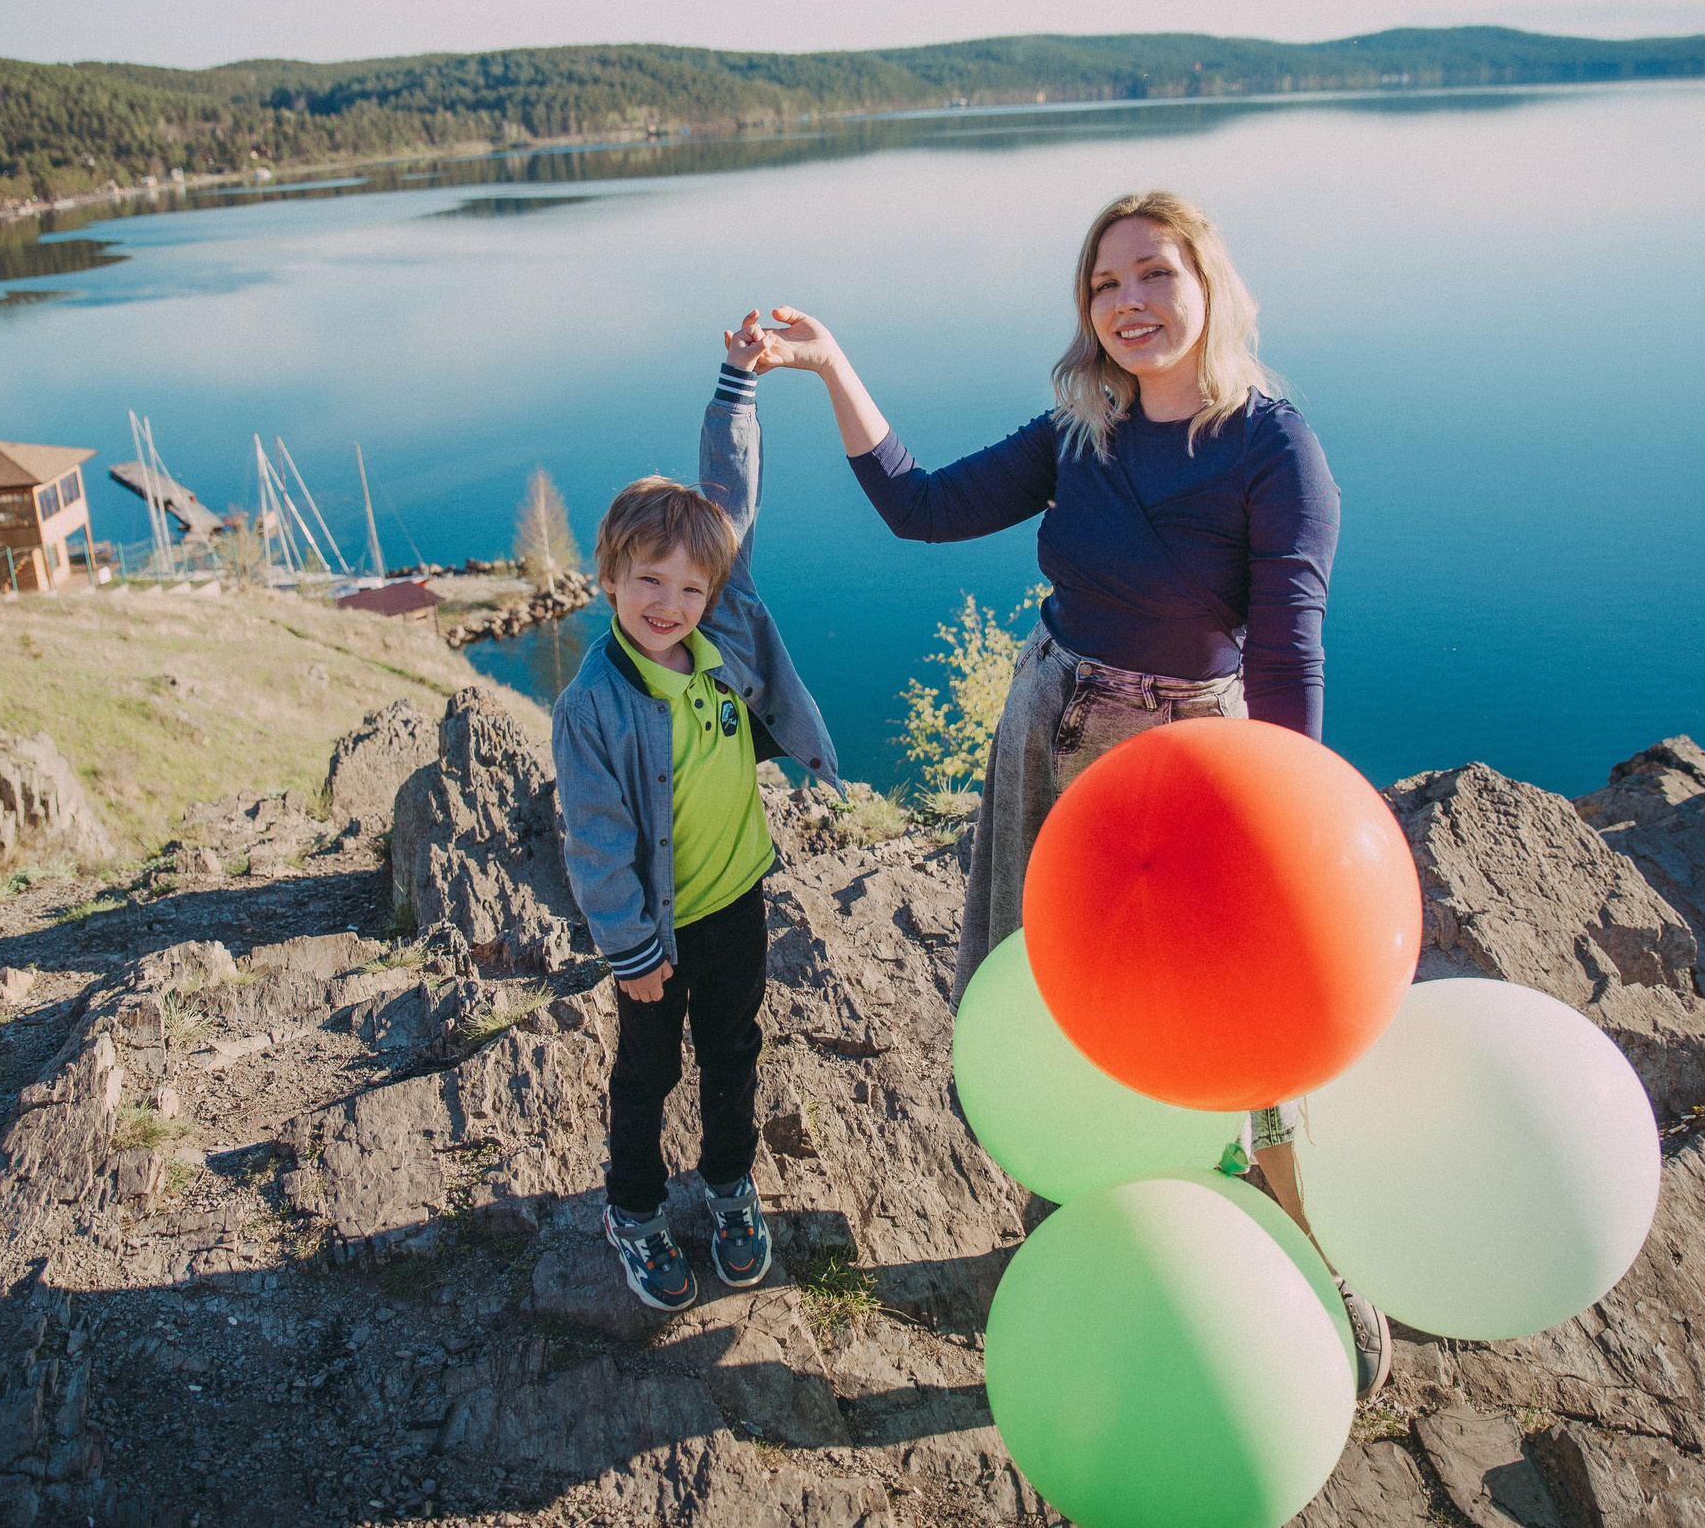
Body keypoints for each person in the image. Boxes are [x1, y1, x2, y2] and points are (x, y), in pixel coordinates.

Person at [746, 191, 1387, 1393]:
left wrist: (1283, 824)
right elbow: (921, 507)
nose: (1129, 303)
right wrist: (828, 363)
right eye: (1104, 286)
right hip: (1051, 732)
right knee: (1054, 991)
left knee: (1239, 1012)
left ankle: (1304, 1244)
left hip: (1190, 760)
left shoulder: (1272, 445)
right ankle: (1083, 1212)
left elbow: (1291, 652)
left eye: (1152, 274)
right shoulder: (1077, 432)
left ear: (1207, 283)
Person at [551, 323, 842, 1313]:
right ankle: (632, 1208)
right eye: (648, 582)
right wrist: (632, 949)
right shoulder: (592, 703)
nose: (670, 603)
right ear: (609, 577)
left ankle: (726, 1186)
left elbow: (730, 492)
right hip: (656, 931)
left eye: (688, 585)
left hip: (735, 901)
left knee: (733, 1051)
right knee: (645, 1073)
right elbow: (593, 841)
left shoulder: (722, 625)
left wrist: (739, 382)